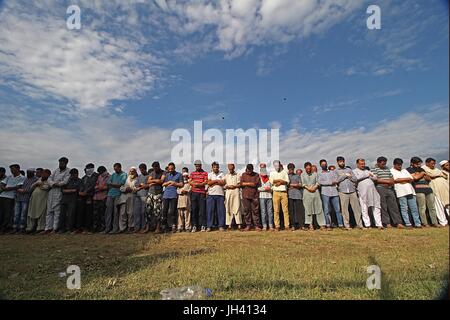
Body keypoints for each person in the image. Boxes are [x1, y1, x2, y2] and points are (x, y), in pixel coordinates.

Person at [371, 157, 403, 228]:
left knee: (394, 206)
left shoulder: (387, 168)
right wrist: (388, 181)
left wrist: (391, 181)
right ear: (378, 162)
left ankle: (398, 222)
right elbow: (376, 180)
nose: (384, 165)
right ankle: (387, 223)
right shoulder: (374, 169)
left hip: (389, 188)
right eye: (382, 163)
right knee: (383, 206)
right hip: (380, 188)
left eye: (385, 163)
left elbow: (391, 177)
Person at [406, 157, 439, 227]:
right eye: (417, 164)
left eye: (420, 164)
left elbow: (428, 178)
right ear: (412, 163)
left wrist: (420, 174)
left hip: (428, 189)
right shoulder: (408, 170)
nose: (419, 166)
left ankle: (434, 222)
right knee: (422, 207)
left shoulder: (422, 169)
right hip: (419, 190)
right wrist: (422, 174)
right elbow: (415, 178)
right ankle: (424, 223)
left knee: (432, 207)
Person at [390, 158, 422, 228]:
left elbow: (411, 178)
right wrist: (406, 179)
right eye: (398, 165)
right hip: (400, 192)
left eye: (401, 165)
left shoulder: (404, 170)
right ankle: (408, 223)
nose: (400, 166)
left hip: (410, 191)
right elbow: (395, 180)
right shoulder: (391, 171)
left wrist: (402, 180)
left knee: (414, 208)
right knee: (404, 208)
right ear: (394, 164)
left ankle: (417, 223)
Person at [353, 159, 383, 229]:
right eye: (361, 164)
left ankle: (379, 224)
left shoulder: (367, 170)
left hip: (373, 191)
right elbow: (356, 178)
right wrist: (367, 175)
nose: (363, 165)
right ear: (357, 164)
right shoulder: (354, 171)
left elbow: (375, 178)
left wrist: (370, 174)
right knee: (364, 208)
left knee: (376, 207)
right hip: (363, 192)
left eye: (363, 164)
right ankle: (367, 224)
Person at [335, 156, 363, 230]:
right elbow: (336, 180)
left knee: (356, 209)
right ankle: (347, 225)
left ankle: (360, 224)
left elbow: (355, 179)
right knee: (345, 210)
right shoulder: (336, 171)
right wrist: (344, 175)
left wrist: (350, 176)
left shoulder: (349, 169)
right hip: (342, 192)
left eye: (343, 161)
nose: (342, 163)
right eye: (340, 161)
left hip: (352, 191)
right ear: (337, 162)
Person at [44, 157, 70, 234]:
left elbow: (65, 181)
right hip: (52, 191)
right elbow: (49, 179)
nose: (60, 164)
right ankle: (48, 228)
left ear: (66, 163)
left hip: (59, 191)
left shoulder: (68, 171)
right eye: (60, 162)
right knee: (49, 210)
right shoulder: (56, 170)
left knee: (57, 211)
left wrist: (57, 184)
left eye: (62, 163)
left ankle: (55, 228)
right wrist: (53, 184)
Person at [422, 158, 449, 226]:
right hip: (435, 189)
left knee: (448, 205)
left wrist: (438, 175)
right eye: (432, 163)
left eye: (434, 163)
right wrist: (439, 175)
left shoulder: (437, 170)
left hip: (445, 189)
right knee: (439, 206)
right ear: (427, 163)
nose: (433, 165)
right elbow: (429, 176)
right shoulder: (424, 168)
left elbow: (444, 176)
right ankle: (443, 222)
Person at [318, 159, 343, 229]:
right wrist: (330, 182)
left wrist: (329, 182)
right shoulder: (320, 174)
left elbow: (336, 179)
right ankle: (328, 224)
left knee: (337, 209)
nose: (324, 165)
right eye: (322, 164)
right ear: (320, 165)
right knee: (326, 210)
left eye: (325, 164)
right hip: (325, 193)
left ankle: (340, 224)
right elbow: (320, 182)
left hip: (334, 193)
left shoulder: (332, 172)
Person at [0, 164, 25, 233]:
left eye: (13, 169)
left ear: (18, 169)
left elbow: (18, 186)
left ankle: (5, 228)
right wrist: (4, 188)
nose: (11, 171)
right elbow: (2, 183)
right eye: (11, 169)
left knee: (8, 214)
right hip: (2, 196)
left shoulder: (22, 177)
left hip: (11, 197)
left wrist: (8, 188)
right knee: (1, 213)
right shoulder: (9, 177)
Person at [301, 162, 326, 230]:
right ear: (305, 168)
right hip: (307, 192)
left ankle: (321, 224)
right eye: (307, 168)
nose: (308, 170)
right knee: (308, 208)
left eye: (309, 168)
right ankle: (310, 224)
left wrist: (314, 187)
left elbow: (318, 182)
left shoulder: (315, 174)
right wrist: (309, 188)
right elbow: (303, 184)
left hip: (315, 192)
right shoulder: (302, 175)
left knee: (318, 207)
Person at [13, 168, 38, 233]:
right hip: (18, 198)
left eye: (30, 172)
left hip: (26, 199)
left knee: (23, 214)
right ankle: (15, 227)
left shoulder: (35, 179)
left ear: (33, 172)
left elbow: (29, 190)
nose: (28, 173)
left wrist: (20, 190)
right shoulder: (25, 178)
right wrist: (19, 189)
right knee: (16, 214)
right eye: (27, 172)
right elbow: (17, 186)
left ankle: (22, 228)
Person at [26, 169, 51, 234]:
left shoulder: (49, 180)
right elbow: (32, 186)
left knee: (41, 213)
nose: (43, 175)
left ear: (48, 174)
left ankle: (40, 228)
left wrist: (39, 185)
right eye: (42, 173)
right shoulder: (39, 179)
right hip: (34, 199)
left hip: (42, 199)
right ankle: (30, 228)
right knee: (31, 213)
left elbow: (46, 187)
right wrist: (37, 184)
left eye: (45, 174)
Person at [104, 163, 127, 234]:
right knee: (108, 212)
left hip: (118, 195)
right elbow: (107, 183)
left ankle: (115, 229)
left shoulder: (124, 174)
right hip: (110, 194)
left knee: (116, 212)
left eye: (116, 169)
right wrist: (114, 185)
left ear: (120, 167)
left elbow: (121, 185)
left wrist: (112, 184)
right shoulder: (113, 175)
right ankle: (107, 228)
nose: (115, 170)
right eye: (114, 169)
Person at [142, 161, 165, 233]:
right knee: (148, 210)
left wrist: (153, 181)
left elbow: (161, 181)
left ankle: (158, 228)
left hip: (158, 193)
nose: (154, 169)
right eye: (153, 168)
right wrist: (156, 181)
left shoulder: (163, 172)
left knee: (157, 211)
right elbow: (148, 181)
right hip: (150, 193)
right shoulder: (152, 173)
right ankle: (147, 227)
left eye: (156, 168)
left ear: (158, 166)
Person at [76, 163, 98, 233]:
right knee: (81, 212)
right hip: (82, 197)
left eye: (89, 168)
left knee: (89, 213)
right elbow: (81, 185)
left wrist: (86, 192)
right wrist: (81, 191)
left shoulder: (96, 176)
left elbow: (93, 185)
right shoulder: (84, 177)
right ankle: (80, 228)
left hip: (91, 196)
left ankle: (88, 228)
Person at [161, 163, 183, 233]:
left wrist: (174, 183)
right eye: (169, 169)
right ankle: (165, 226)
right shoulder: (167, 175)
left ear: (174, 168)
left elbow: (181, 184)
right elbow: (163, 184)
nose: (170, 170)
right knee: (164, 211)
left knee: (172, 211)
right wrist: (168, 183)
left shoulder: (179, 174)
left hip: (174, 195)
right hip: (166, 195)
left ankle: (173, 226)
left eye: (172, 169)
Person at [60, 168, 82, 234]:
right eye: (73, 174)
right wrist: (72, 190)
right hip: (64, 200)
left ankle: (70, 229)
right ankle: (62, 229)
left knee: (71, 215)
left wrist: (69, 190)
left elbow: (78, 190)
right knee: (62, 215)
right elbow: (63, 190)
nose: (75, 175)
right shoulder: (67, 180)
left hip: (73, 200)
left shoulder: (80, 181)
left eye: (76, 174)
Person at [270, 160, 290, 231]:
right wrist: (280, 180)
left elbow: (287, 182)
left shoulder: (284, 172)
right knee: (276, 210)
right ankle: (277, 226)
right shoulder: (272, 173)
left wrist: (280, 182)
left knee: (285, 210)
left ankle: (287, 226)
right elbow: (272, 181)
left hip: (284, 192)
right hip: (276, 192)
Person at [240, 164, 261, 231]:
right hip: (245, 195)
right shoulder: (243, 175)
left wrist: (246, 183)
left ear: (252, 169)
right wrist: (249, 183)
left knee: (255, 211)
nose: (249, 172)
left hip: (254, 195)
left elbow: (255, 184)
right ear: (246, 169)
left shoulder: (256, 175)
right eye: (248, 170)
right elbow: (241, 184)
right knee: (246, 211)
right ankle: (248, 225)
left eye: (251, 170)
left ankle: (256, 226)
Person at [206, 162, 226, 232]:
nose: (215, 168)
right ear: (212, 168)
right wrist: (217, 181)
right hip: (211, 194)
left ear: (218, 167)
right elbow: (209, 183)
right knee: (210, 211)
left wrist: (213, 182)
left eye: (217, 167)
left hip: (220, 194)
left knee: (220, 211)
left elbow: (223, 183)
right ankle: (209, 226)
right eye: (214, 167)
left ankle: (221, 226)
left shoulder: (222, 174)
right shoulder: (209, 174)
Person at [189, 160, 208, 232]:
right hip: (194, 193)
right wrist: (194, 183)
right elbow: (190, 181)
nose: (197, 167)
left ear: (201, 165)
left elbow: (206, 181)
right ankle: (194, 225)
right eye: (196, 166)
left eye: (198, 165)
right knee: (194, 209)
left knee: (202, 210)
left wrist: (199, 184)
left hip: (202, 193)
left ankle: (203, 225)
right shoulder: (192, 173)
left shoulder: (205, 173)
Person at [119, 167, 137, 233]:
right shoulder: (125, 179)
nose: (131, 172)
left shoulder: (137, 179)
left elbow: (137, 188)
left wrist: (132, 189)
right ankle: (122, 228)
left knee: (131, 212)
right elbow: (121, 187)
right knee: (122, 212)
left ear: (135, 172)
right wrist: (126, 189)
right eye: (130, 171)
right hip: (124, 196)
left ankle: (130, 227)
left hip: (132, 196)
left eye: (133, 171)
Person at [224, 163, 242, 230]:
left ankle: (239, 225)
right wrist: (228, 186)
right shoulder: (226, 175)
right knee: (228, 207)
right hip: (228, 192)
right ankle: (229, 225)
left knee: (237, 207)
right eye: (229, 168)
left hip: (236, 191)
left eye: (232, 168)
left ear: (234, 168)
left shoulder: (237, 174)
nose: (231, 169)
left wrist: (234, 186)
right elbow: (224, 185)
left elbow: (239, 184)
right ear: (228, 168)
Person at [287, 163, 305, 230]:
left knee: (299, 211)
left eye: (292, 169)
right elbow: (286, 185)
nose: (291, 170)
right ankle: (293, 225)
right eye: (290, 169)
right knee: (291, 211)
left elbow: (300, 184)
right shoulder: (286, 176)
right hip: (290, 195)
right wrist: (295, 185)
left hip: (298, 195)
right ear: (288, 169)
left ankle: (301, 225)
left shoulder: (297, 176)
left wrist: (291, 185)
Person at [92, 166, 110, 233]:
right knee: (95, 214)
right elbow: (96, 186)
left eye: (101, 172)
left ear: (105, 171)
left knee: (103, 214)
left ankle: (103, 228)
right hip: (96, 197)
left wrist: (101, 187)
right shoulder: (99, 176)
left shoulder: (109, 176)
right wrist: (100, 187)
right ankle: (95, 228)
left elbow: (108, 186)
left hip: (104, 197)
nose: (101, 173)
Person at [133, 163, 149, 233]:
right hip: (137, 196)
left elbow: (149, 185)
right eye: (140, 170)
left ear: (145, 169)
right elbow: (136, 185)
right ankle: (137, 227)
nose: (141, 171)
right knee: (136, 212)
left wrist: (144, 185)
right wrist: (141, 185)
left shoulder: (149, 176)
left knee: (143, 212)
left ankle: (143, 227)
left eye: (142, 170)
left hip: (145, 196)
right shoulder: (139, 177)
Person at [258, 163, 274, 231]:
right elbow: (257, 188)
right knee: (263, 212)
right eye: (262, 167)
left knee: (270, 211)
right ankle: (264, 226)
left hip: (269, 196)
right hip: (262, 196)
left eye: (264, 167)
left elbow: (273, 186)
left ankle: (271, 225)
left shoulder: (269, 177)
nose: (263, 168)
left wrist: (270, 189)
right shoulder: (259, 178)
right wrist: (265, 189)